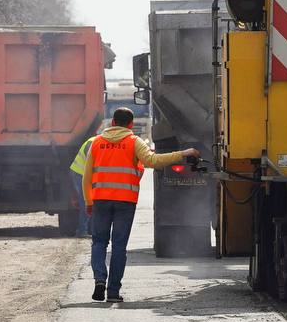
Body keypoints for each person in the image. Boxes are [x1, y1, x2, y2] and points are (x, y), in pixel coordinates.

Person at [82, 108, 198, 303]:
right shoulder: (133, 142)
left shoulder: (97, 143)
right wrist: (183, 154)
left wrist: (88, 201)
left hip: (101, 200)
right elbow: (153, 161)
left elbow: (86, 178)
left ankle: (99, 280)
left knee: (99, 242)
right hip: (125, 202)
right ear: (130, 124)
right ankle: (113, 292)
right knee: (119, 246)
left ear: (112, 123)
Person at [66, 129, 100, 238]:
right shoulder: (93, 143)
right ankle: (82, 230)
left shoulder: (97, 142)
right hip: (79, 173)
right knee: (86, 201)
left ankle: (90, 229)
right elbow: (93, 163)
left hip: (82, 173)